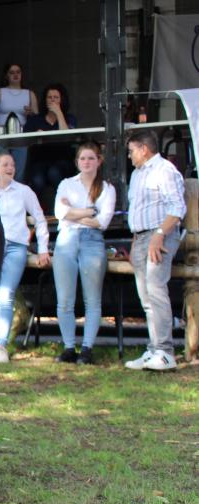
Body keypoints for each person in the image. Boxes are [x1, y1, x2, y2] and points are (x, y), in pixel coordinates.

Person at [0, 151, 50, 363]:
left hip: (16, 247)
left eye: (12, 165)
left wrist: (43, 248)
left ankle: (1, 346)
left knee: (6, 295)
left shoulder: (23, 191)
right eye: (5, 165)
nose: (10, 168)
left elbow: (39, 218)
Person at [123, 131, 186, 371]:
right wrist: (135, 238)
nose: (129, 157)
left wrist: (159, 235)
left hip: (159, 235)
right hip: (140, 236)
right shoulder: (138, 174)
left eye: (131, 151)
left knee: (156, 290)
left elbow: (177, 207)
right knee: (146, 297)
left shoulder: (165, 171)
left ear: (144, 149)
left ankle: (166, 351)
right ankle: (153, 349)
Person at [52, 142, 116, 365]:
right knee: (65, 299)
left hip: (92, 241)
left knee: (92, 299)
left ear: (99, 161)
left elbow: (103, 221)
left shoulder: (107, 188)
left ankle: (87, 348)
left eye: (91, 158)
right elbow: (59, 212)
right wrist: (89, 211)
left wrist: (73, 213)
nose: (86, 162)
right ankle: (69, 347)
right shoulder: (67, 184)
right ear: (77, 162)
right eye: (82, 159)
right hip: (66, 241)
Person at [23, 84, 78, 204]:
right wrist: (35, 134)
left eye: (56, 97)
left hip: (63, 160)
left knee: (54, 172)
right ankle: (39, 211)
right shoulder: (35, 120)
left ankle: (64, 206)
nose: (52, 100)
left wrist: (58, 113)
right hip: (41, 160)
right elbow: (25, 139)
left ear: (62, 100)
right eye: (49, 97)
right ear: (45, 100)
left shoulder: (69, 118)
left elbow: (67, 136)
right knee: (37, 180)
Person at [0, 63, 38, 182]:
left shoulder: (29, 94)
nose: (15, 75)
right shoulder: (0, 92)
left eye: (18, 72)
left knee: (18, 173)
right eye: (12, 72)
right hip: (1, 135)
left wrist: (30, 113)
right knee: (2, 168)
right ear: (6, 76)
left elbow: (38, 118)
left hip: (21, 137)